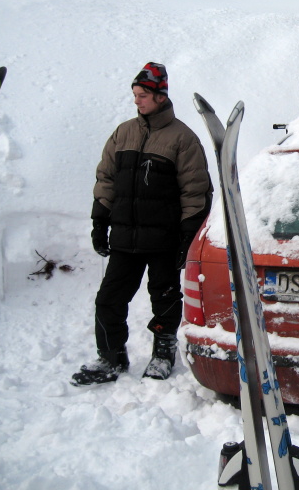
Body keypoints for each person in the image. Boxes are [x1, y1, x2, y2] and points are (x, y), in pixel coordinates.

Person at [71, 63, 212, 386]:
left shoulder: (182, 139)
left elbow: (196, 190)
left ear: (161, 96)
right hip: (124, 237)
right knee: (109, 299)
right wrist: (99, 220)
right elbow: (106, 178)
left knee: (164, 299)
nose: (137, 101)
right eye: (135, 95)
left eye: (143, 95)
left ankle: (163, 355)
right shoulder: (123, 133)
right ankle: (110, 356)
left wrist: (188, 237)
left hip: (164, 239)